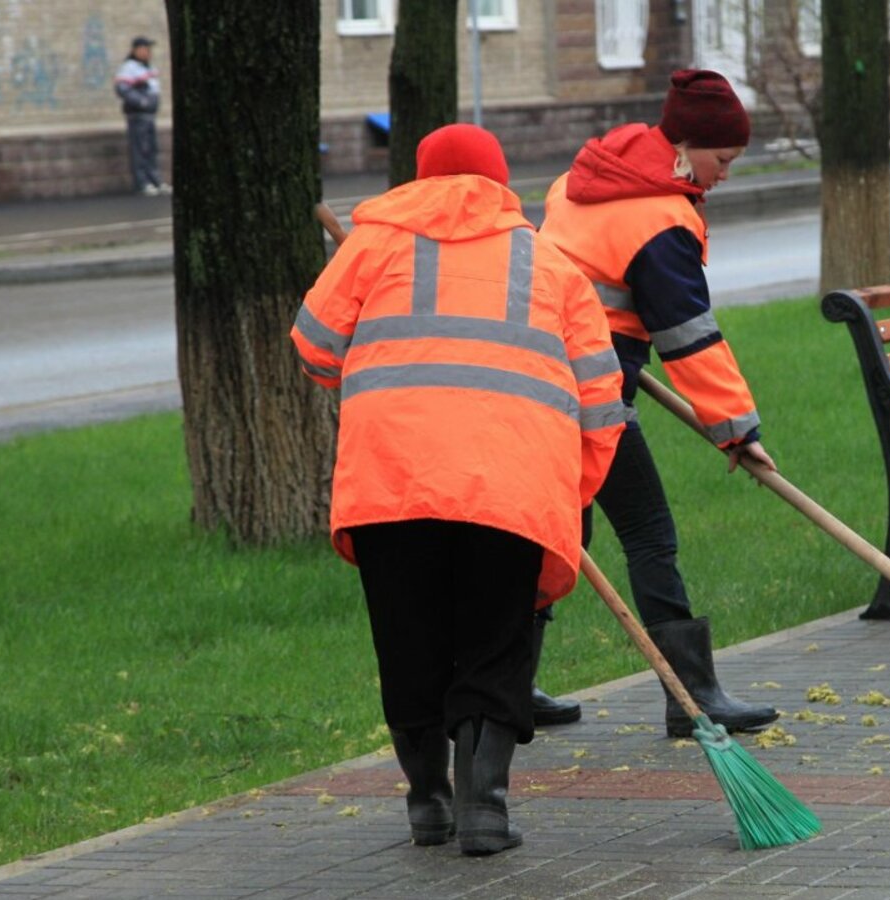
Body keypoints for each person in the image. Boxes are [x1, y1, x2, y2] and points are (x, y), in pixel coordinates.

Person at [290, 124, 624, 855]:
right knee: (494, 642)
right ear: (501, 181)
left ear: (416, 178)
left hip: (391, 486)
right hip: (510, 489)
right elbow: (602, 405)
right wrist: (568, 498)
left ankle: (426, 804)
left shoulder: (371, 246)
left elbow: (314, 347)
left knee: (408, 640)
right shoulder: (549, 264)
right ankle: (485, 813)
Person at [536, 69, 779, 739]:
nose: (725, 174)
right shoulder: (661, 217)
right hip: (590, 388)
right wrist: (737, 430)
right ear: (685, 145)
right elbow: (690, 337)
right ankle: (692, 697)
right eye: (722, 160)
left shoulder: (583, 178)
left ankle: (505, 688)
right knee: (647, 532)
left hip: (532, 375)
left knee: (559, 533)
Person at [114, 36, 169, 196]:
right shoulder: (129, 67)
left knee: (151, 148)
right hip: (138, 115)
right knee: (140, 148)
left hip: (150, 115)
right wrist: (141, 102)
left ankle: (155, 180)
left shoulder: (146, 67)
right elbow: (122, 89)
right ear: (135, 50)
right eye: (144, 49)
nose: (148, 52)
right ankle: (142, 182)